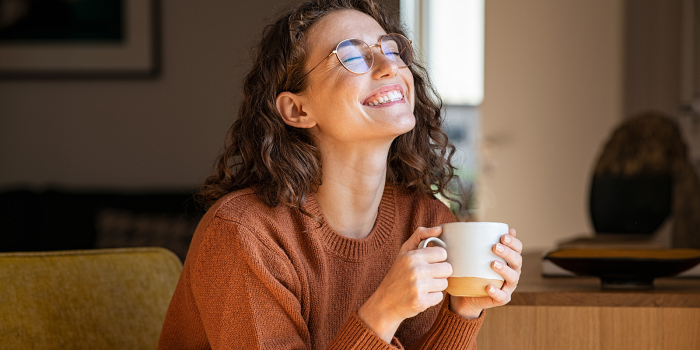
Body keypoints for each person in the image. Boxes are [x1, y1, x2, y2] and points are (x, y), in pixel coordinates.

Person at [158, 0, 523, 349]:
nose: (388, 66)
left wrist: (464, 310)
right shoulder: (245, 234)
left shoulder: (426, 222)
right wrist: (383, 313)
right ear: (297, 110)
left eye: (391, 49)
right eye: (351, 55)